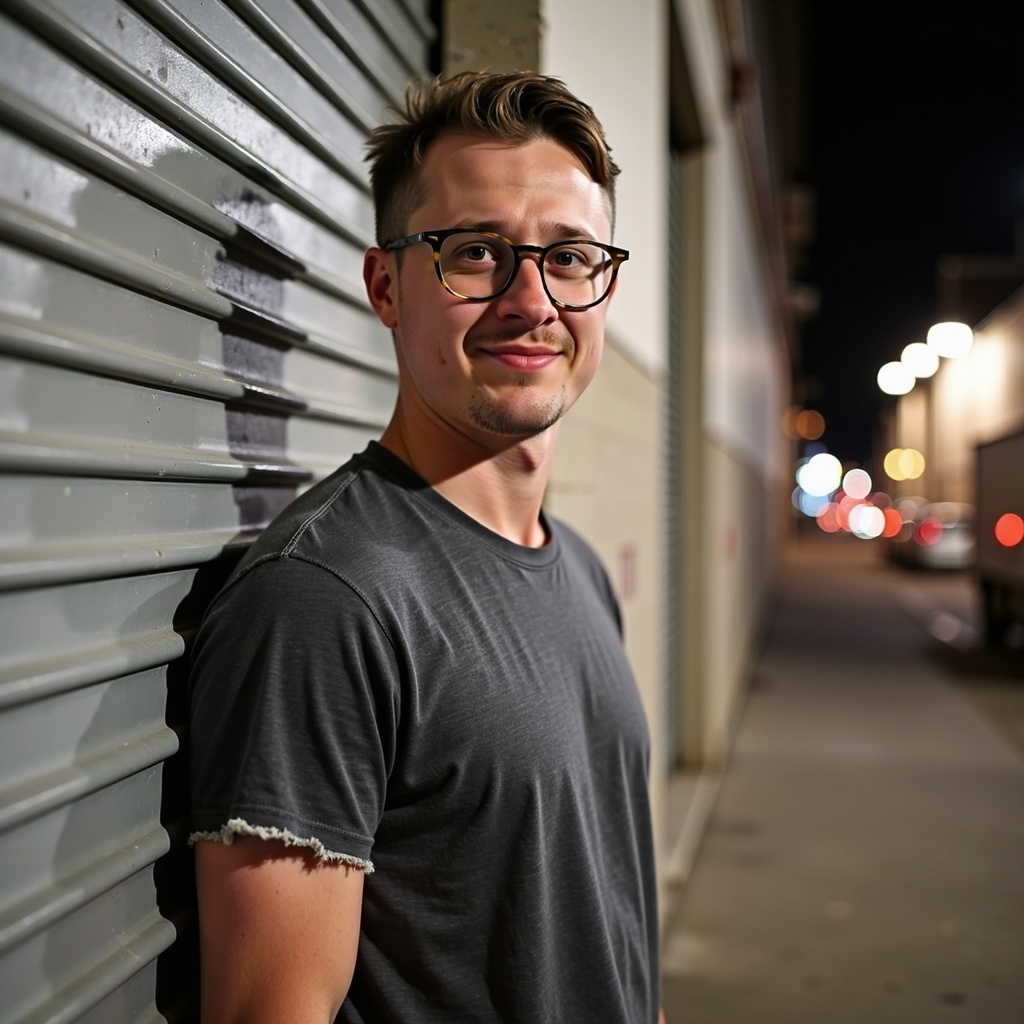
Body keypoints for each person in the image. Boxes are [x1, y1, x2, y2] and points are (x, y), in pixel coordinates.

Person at [188, 70, 662, 1023]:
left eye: (570, 257)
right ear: (385, 285)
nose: (533, 302)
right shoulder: (325, 598)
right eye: (477, 252)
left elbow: (606, 921)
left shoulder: (574, 564)